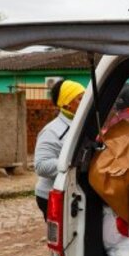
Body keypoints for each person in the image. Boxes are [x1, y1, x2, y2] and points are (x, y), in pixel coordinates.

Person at [35, 79, 86, 217]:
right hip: (51, 194)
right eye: (80, 99)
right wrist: (72, 162)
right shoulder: (52, 131)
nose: (85, 102)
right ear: (67, 105)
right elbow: (41, 166)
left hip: (73, 193)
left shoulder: (80, 125)